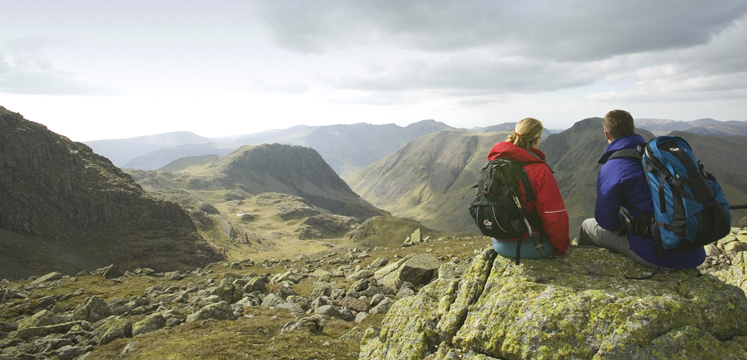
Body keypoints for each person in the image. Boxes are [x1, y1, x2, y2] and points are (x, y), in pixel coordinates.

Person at [578, 109, 705, 269]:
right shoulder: (660, 158)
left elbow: (606, 220)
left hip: (655, 253)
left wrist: (625, 222)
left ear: (606, 134)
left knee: (587, 226)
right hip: (695, 250)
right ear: (634, 130)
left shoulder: (614, 167)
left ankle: (583, 268)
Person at [487, 117, 570, 258]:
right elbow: (554, 215)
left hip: (498, 242)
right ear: (537, 139)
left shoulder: (496, 162)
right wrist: (562, 249)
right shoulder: (539, 170)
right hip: (529, 245)